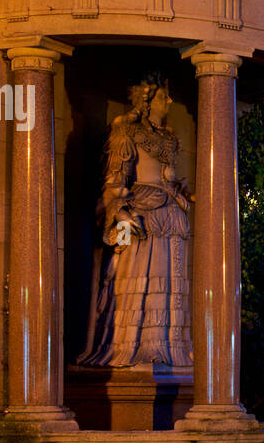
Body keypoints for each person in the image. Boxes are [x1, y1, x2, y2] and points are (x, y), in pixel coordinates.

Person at [77, 73, 193, 368]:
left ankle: (165, 347)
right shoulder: (126, 130)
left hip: (170, 213)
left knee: (169, 282)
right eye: (161, 96)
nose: (168, 101)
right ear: (145, 100)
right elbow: (114, 181)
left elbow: (171, 178)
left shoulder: (169, 138)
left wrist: (184, 193)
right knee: (131, 278)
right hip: (139, 213)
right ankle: (132, 347)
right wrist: (122, 212)